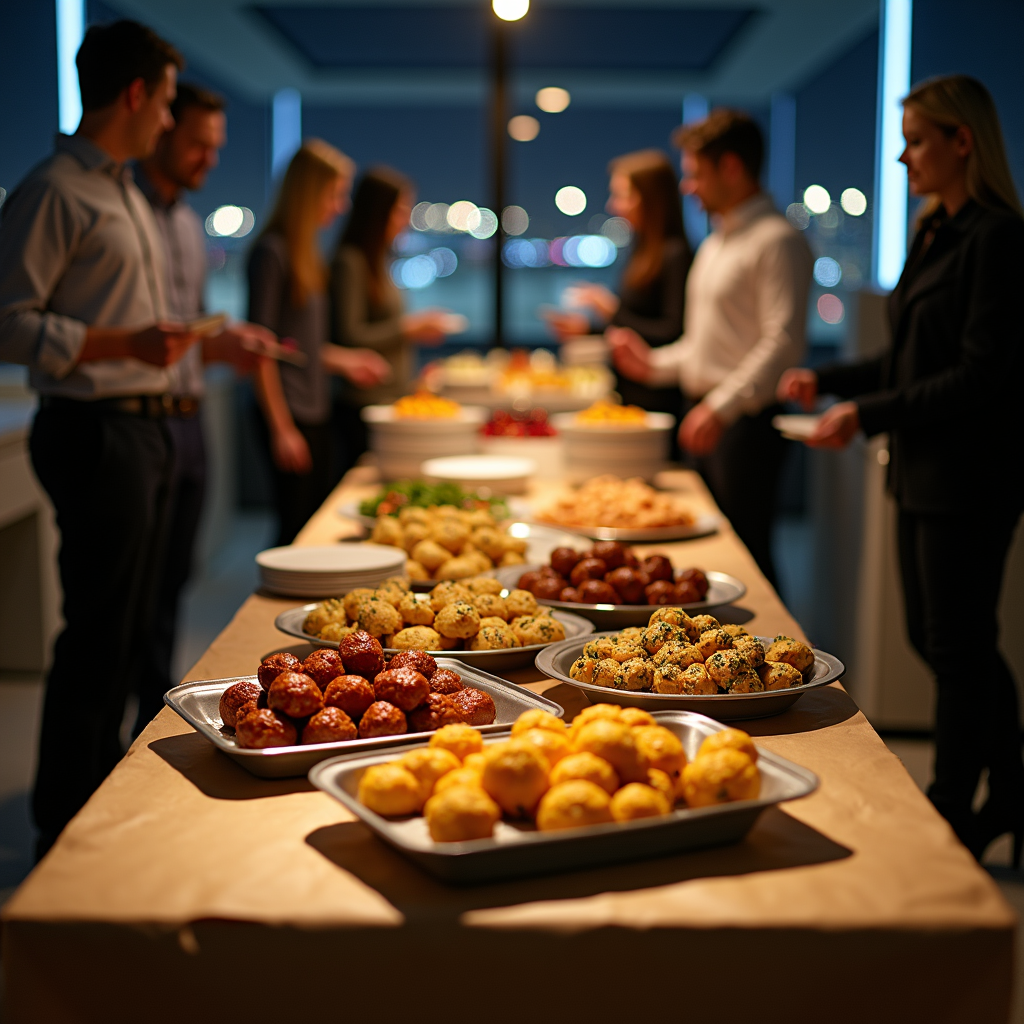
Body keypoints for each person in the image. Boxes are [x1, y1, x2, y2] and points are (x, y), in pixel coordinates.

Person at [778, 76, 1024, 861]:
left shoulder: (998, 237)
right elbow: (909, 358)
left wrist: (866, 413)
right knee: (949, 641)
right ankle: (1013, 799)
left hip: (972, 475)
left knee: (956, 646)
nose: (901, 154)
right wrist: (838, 382)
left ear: (963, 142)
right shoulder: (935, 229)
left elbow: (982, 375)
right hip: (922, 466)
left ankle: (953, 810)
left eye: (916, 139)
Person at [0, 20, 213, 856]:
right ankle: (65, 822)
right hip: (95, 431)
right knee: (97, 633)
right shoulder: (56, 188)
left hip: (145, 431)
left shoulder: (122, 189)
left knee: (135, 628)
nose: (169, 121)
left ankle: (108, 799)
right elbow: (9, 323)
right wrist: (124, 346)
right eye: (165, 102)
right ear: (135, 95)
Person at [609, 110, 813, 586]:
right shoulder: (719, 241)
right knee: (716, 558)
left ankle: (770, 654)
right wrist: (653, 365)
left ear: (733, 168)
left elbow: (782, 343)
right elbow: (705, 346)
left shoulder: (777, 241)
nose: (687, 187)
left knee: (749, 558)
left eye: (695, 173)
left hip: (745, 424)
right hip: (709, 412)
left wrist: (720, 407)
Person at [133, 83, 277, 732]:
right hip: (124, 423)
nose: (209, 159)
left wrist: (221, 344)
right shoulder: (116, 210)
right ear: (158, 128)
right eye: (196, 142)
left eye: (215, 147)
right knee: (111, 615)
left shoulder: (188, 224)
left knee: (166, 596)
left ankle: (142, 738)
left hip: (183, 420)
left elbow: (184, 338)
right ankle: (71, 801)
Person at [248, 141, 391, 546]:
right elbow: (261, 349)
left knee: (310, 520)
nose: (341, 205)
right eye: (335, 194)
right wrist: (281, 428)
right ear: (309, 193)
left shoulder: (306, 253)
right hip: (290, 411)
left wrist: (345, 361)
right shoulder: (273, 253)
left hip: (312, 407)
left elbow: (298, 346)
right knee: (295, 526)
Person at [330, 167, 460, 474]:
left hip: (388, 399)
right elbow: (349, 337)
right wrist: (409, 328)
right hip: (363, 406)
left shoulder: (380, 261)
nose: (404, 220)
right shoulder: (351, 262)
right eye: (400, 210)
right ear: (378, 212)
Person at [544, 149, 692, 417]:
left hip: (659, 401)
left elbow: (673, 333)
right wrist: (587, 329)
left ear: (651, 198)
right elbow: (632, 329)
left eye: (622, 195)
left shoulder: (675, 254)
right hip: (632, 392)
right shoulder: (643, 249)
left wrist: (611, 310)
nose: (613, 205)